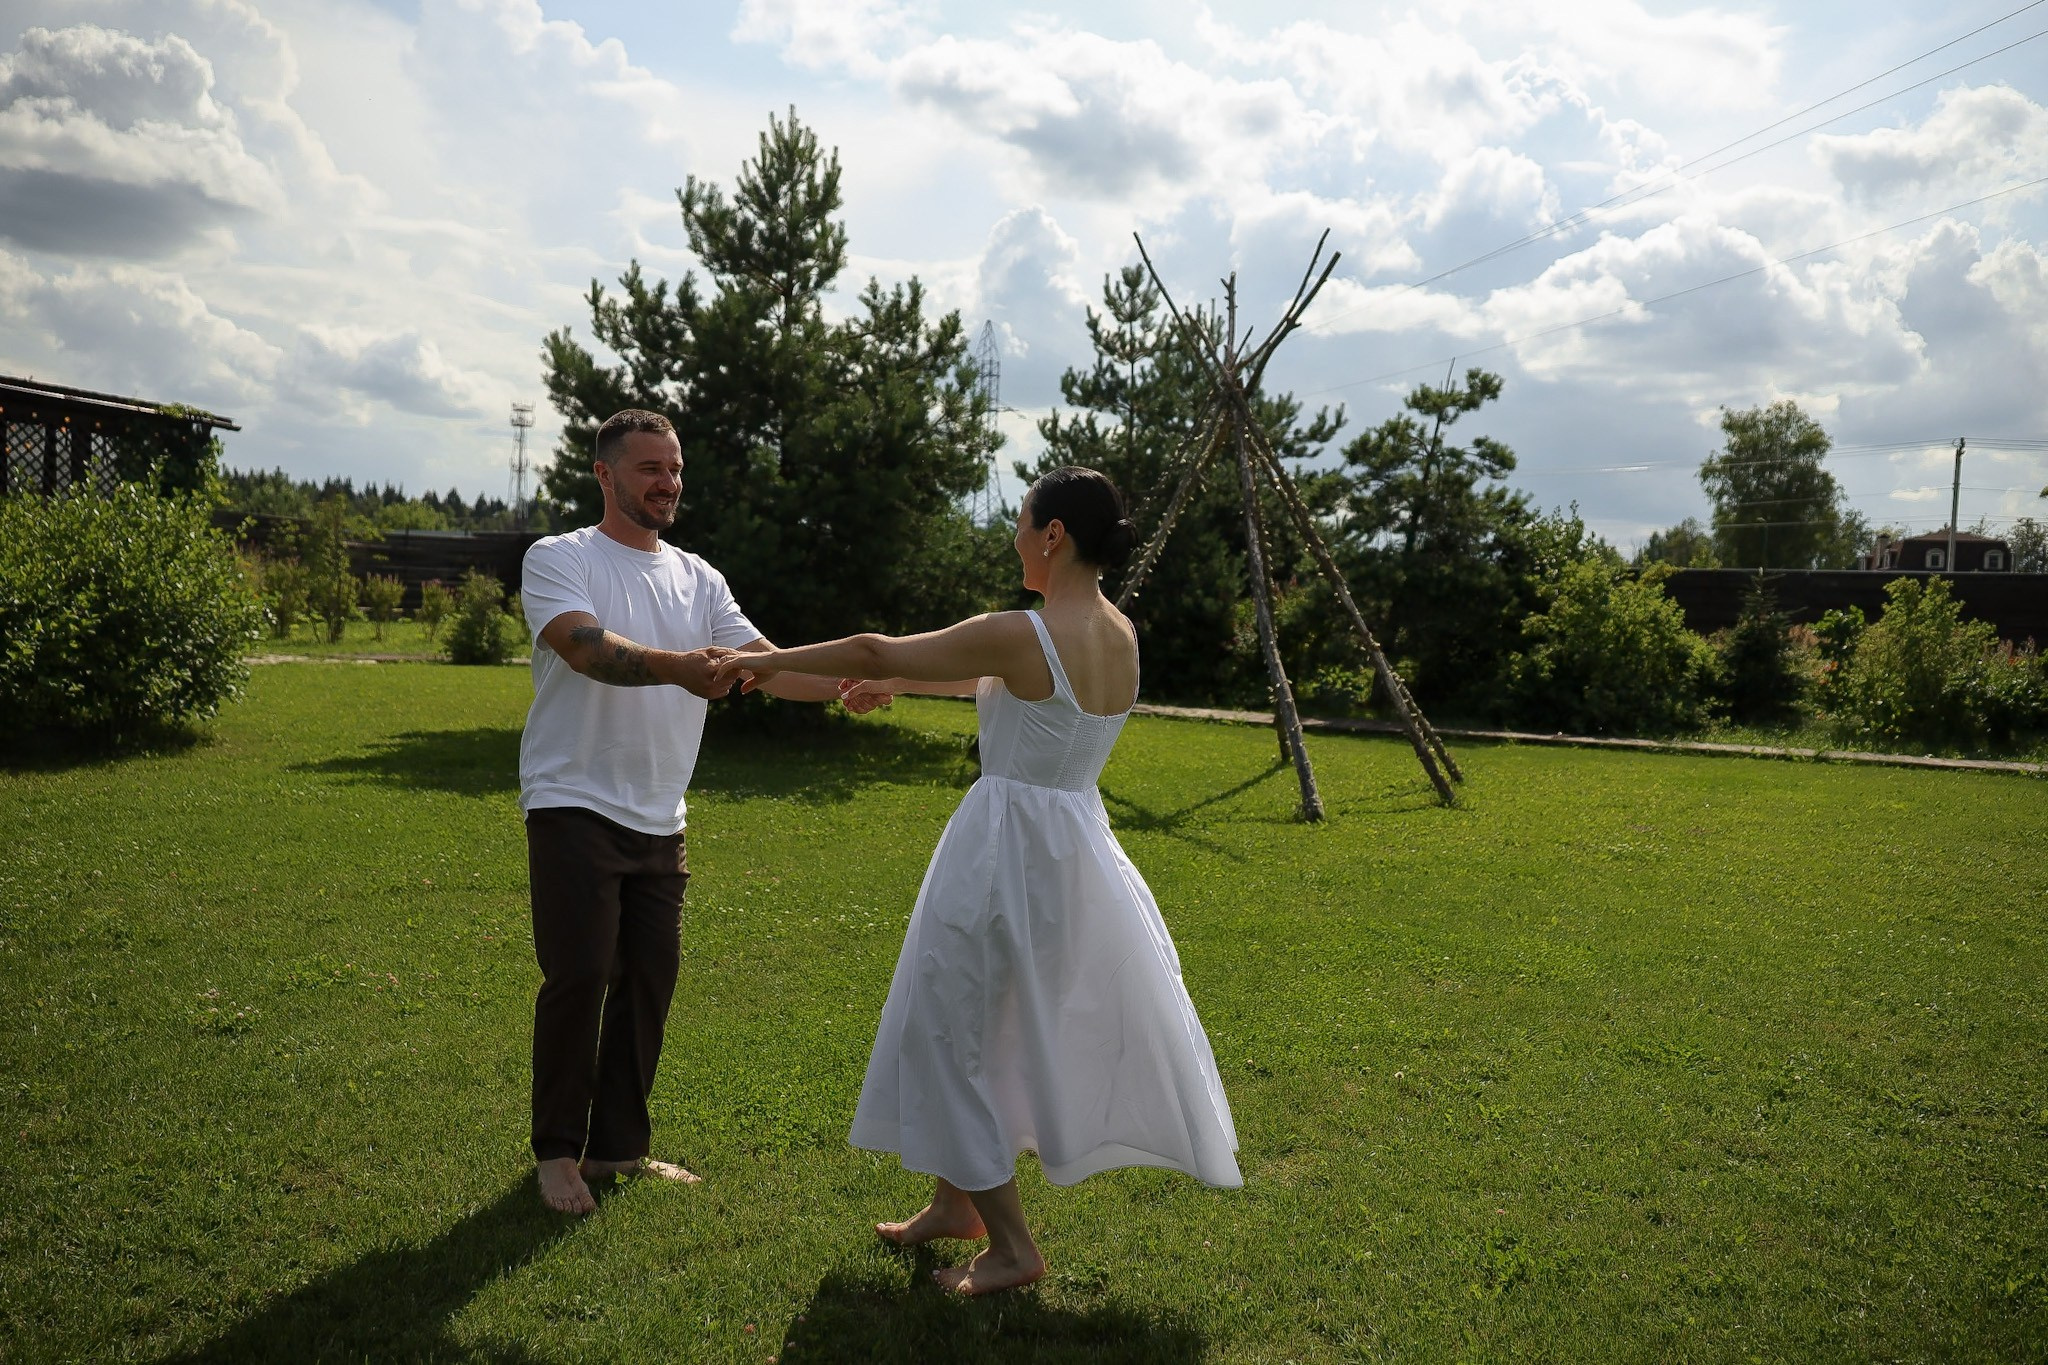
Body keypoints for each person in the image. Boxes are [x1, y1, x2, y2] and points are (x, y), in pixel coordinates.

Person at [710, 465, 1240, 1295]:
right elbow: (990, 683)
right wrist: (892, 681)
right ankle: (953, 1203)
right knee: (978, 1024)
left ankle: (1012, 1246)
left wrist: (758, 658)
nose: (1016, 536)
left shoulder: (1023, 631)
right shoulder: (1118, 632)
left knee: (949, 1028)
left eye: (1024, 521)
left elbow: (878, 646)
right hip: (1077, 852)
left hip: (1007, 853)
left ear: (1053, 534)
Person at [518, 408, 879, 1216]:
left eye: (674, 468)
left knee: (649, 979)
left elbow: (766, 666)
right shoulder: (560, 558)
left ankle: (617, 1148)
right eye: (649, 468)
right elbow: (583, 646)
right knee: (578, 976)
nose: (667, 482)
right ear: (605, 474)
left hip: (659, 815)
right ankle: (555, 1153)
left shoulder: (698, 577)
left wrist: (844, 684)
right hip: (572, 799)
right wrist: (679, 668)